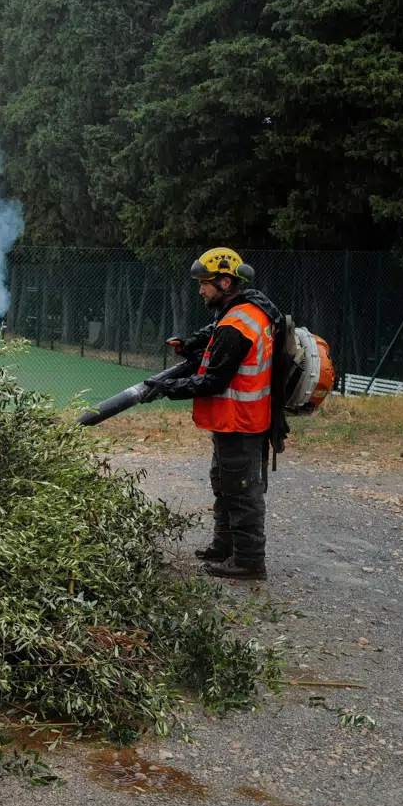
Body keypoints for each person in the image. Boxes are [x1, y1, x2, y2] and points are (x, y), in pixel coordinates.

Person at [144, 247, 283, 581]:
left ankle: (250, 560)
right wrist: (190, 345)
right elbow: (213, 337)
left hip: (241, 421)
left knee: (242, 489)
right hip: (234, 420)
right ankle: (224, 546)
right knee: (224, 482)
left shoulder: (237, 323)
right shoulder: (243, 310)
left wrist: (167, 388)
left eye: (205, 283)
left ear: (224, 281)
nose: (201, 289)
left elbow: (213, 381)